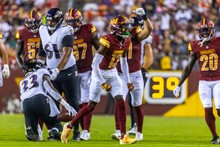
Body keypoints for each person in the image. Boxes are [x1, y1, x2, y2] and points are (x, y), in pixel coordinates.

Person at [61, 15, 137, 145]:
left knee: (120, 100)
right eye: (124, 27)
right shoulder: (107, 40)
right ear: (117, 29)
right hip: (99, 73)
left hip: (112, 73)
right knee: (91, 105)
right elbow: (94, 64)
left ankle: (123, 136)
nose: (127, 29)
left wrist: (128, 80)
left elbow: (123, 62)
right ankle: (69, 126)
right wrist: (102, 82)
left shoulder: (126, 40)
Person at [173, 19, 220, 144]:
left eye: (206, 30)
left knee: (219, 109)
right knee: (207, 109)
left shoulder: (218, 42)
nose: (204, 33)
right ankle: (215, 136)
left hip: (218, 80)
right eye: (202, 31)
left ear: (212, 31)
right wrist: (179, 84)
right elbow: (188, 67)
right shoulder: (194, 45)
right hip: (204, 81)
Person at [37, 8, 80, 140]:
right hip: (50, 71)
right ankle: (55, 131)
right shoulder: (42, 29)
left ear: (60, 20)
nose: (50, 23)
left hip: (67, 70)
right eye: (49, 21)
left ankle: (75, 131)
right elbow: (42, 51)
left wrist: (58, 69)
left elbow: (67, 54)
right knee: (51, 103)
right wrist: (39, 67)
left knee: (73, 102)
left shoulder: (66, 31)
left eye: (54, 21)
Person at [111, 10, 153, 141]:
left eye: (127, 26)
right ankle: (119, 130)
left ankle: (139, 132)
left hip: (135, 74)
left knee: (137, 104)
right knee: (120, 101)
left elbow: (149, 30)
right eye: (123, 25)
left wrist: (145, 17)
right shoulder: (115, 36)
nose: (125, 28)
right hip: (120, 74)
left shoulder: (136, 35)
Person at [19, 59, 76, 141]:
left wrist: (27, 117)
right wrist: (66, 105)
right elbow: (50, 88)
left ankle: (29, 129)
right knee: (56, 124)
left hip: (26, 104)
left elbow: (22, 101)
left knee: (35, 137)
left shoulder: (22, 82)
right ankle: (53, 132)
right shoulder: (41, 71)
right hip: (39, 99)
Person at [65, 8, 100, 141]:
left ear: (79, 21)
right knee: (76, 103)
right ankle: (77, 131)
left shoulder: (89, 29)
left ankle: (86, 131)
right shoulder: (64, 32)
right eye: (69, 22)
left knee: (86, 102)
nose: (71, 24)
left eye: (73, 21)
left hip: (86, 71)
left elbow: (99, 49)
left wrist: (99, 67)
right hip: (71, 71)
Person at [126, 34, 153, 135]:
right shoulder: (126, 37)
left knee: (134, 100)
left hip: (138, 72)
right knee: (130, 100)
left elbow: (150, 59)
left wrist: (140, 70)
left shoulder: (144, 39)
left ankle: (136, 126)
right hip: (127, 72)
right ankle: (133, 125)